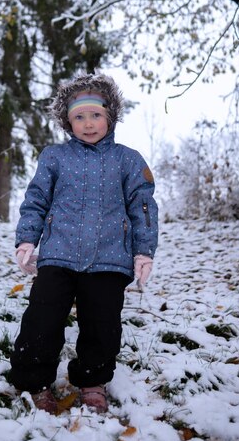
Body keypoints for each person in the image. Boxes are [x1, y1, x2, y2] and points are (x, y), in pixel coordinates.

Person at [9, 72, 158, 414]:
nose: (88, 124)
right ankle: (34, 379)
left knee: (102, 324)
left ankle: (92, 381)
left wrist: (143, 251)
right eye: (79, 117)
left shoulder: (128, 159)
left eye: (96, 115)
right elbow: (36, 199)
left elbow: (144, 206)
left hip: (109, 259)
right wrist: (27, 238)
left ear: (110, 116)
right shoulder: (54, 158)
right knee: (41, 319)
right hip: (58, 256)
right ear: (67, 121)